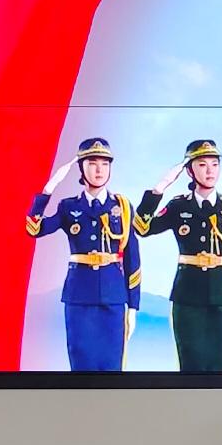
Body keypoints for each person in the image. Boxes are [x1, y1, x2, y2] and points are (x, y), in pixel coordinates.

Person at [23, 138, 141, 371]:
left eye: (105, 164)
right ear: (81, 168)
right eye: (92, 163)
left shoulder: (123, 207)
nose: (99, 170)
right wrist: (47, 192)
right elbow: (34, 229)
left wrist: (133, 306)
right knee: (81, 365)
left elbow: (132, 258)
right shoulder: (69, 207)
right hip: (79, 297)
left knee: (112, 367)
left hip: (113, 297)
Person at [134, 139, 222, 372]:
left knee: (221, 370)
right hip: (187, 298)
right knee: (190, 369)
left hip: (221, 298)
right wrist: (159, 189)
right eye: (202, 165)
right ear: (189, 171)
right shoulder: (178, 206)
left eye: (215, 164)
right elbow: (142, 228)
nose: (210, 171)